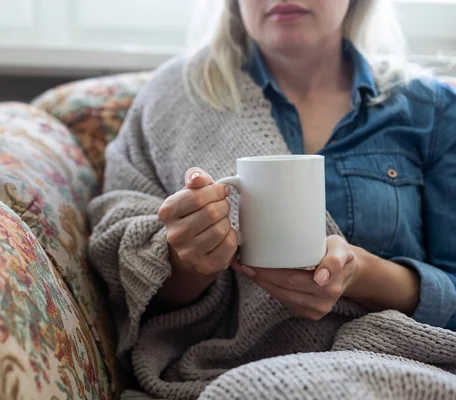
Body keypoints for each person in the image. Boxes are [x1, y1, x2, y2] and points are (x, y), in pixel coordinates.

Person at [88, 0, 456, 398]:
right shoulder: (176, 98)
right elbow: (123, 268)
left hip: (397, 364)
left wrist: (364, 276)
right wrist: (189, 259)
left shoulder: (430, 111)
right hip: (229, 375)